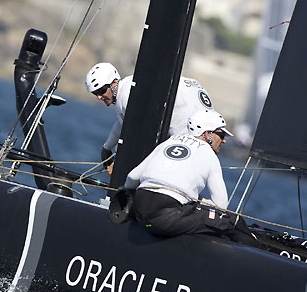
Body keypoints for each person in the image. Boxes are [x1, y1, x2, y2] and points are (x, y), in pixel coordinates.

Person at [123, 110, 258, 246]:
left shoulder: (171, 140)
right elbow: (221, 205)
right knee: (229, 221)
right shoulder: (208, 154)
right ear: (207, 134)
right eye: (221, 134)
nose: (223, 140)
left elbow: (132, 176)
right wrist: (197, 201)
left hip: (139, 213)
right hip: (163, 220)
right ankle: (258, 255)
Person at [85, 63, 214, 174]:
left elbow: (134, 139)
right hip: (207, 125)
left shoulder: (125, 96)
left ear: (114, 83)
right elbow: (122, 124)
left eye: (101, 91)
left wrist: (118, 165)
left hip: (195, 136)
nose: (98, 97)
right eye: (95, 93)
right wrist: (106, 149)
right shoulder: (131, 85)